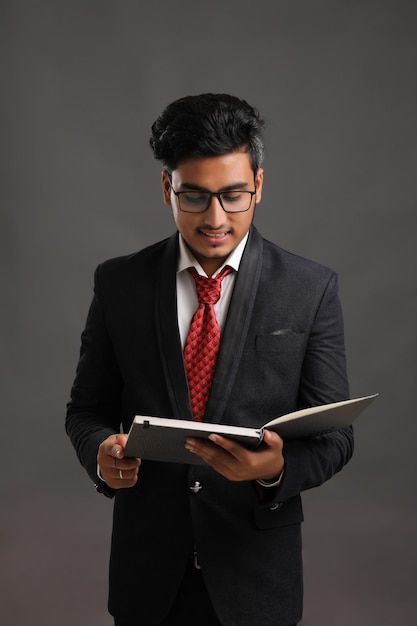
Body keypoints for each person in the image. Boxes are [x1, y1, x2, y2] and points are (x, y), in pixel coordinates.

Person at [66, 93, 353, 626]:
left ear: (259, 186)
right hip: (147, 578)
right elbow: (85, 411)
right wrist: (100, 452)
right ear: (166, 188)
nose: (215, 218)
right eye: (194, 197)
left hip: (256, 578)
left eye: (234, 195)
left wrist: (276, 469)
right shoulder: (119, 283)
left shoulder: (310, 289)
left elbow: (336, 435)